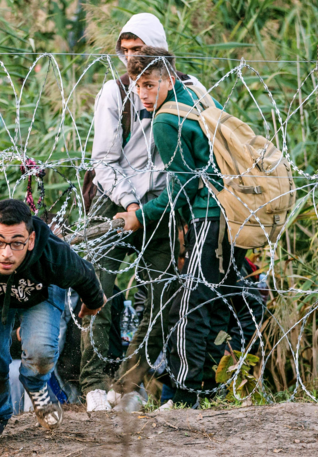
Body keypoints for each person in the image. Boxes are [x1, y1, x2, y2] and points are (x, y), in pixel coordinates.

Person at [82, 12, 205, 412]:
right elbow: (104, 161)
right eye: (127, 51)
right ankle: (94, 381)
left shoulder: (191, 90)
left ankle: (129, 382)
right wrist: (132, 206)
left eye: (141, 49)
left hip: (166, 201)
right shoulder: (115, 93)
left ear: (162, 51)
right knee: (101, 288)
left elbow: (198, 156)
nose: (133, 59)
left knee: (161, 292)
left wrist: (160, 208)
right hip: (116, 199)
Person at [119, 46, 247, 408]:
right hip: (234, 212)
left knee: (191, 305)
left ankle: (186, 395)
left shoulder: (163, 120)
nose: (143, 93)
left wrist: (138, 216)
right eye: (136, 85)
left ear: (169, 79)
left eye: (149, 84)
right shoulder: (194, 96)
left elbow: (182, 189)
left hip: (210, 214)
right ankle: (211, 385)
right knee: (217, 301)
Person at [0, 199, 105, 452]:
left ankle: (37, 386)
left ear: (30, 240)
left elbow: (85, 274)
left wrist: (92, 301)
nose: (7, 253)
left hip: (39, 296)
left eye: (17, 243)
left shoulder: (51, 252)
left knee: (41, 352)